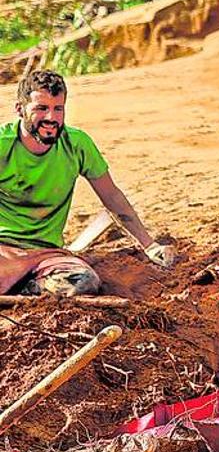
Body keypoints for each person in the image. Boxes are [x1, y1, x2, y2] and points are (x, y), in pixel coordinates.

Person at [0, 70, 172, 297]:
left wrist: (149, 245)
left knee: (84, 282)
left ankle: (27, 290)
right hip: (4, 250)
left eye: (58, 108)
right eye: (41, 108)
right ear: (20, 109)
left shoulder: (77, 144)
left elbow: (112, 197)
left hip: (47, 255)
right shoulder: (3, 145)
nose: (51, 117)